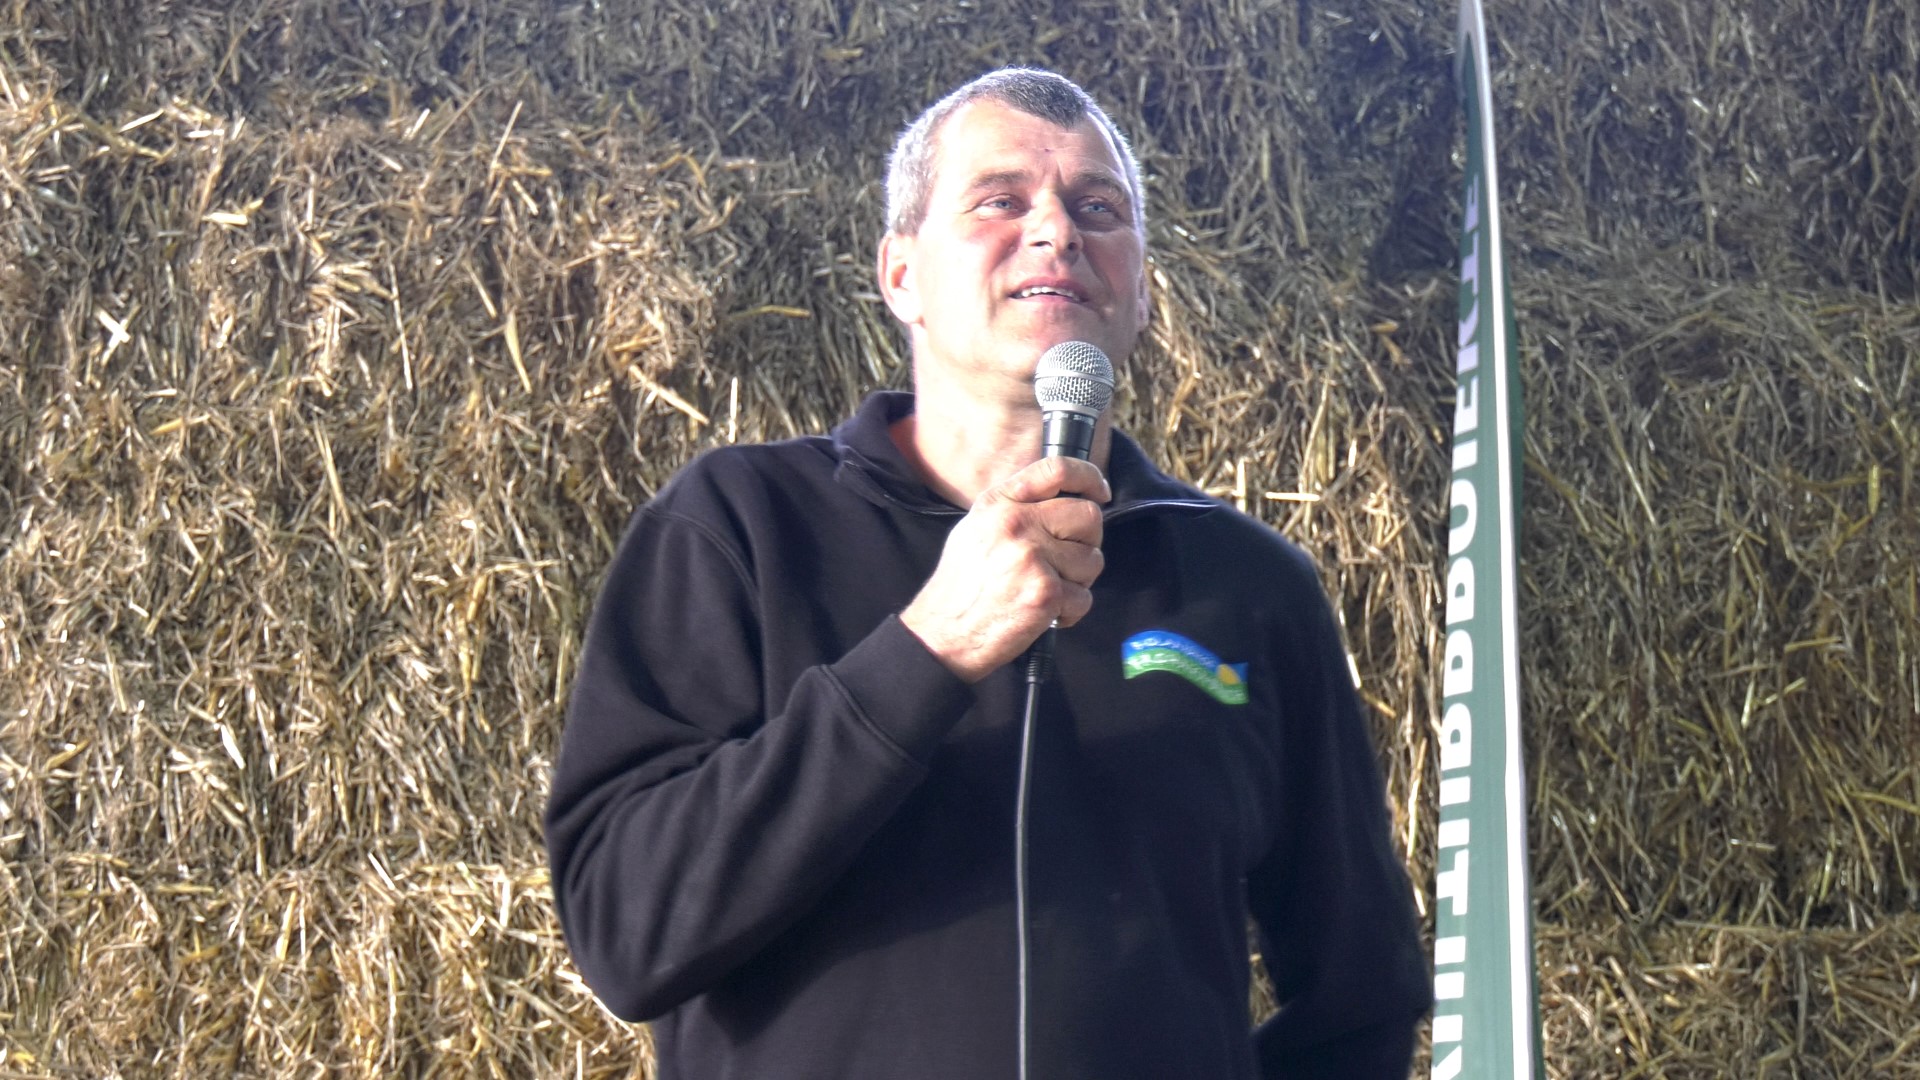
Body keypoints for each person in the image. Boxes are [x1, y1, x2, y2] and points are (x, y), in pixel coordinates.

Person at [544, 67, 1430, 1079]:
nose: (1057, 230)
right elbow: (626, 931)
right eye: (1000, 200)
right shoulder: (741, 527)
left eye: (1099, 209)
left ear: (1142, 290)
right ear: (901, 274)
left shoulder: (1247, 584)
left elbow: (1360, 993)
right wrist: (928, 650)